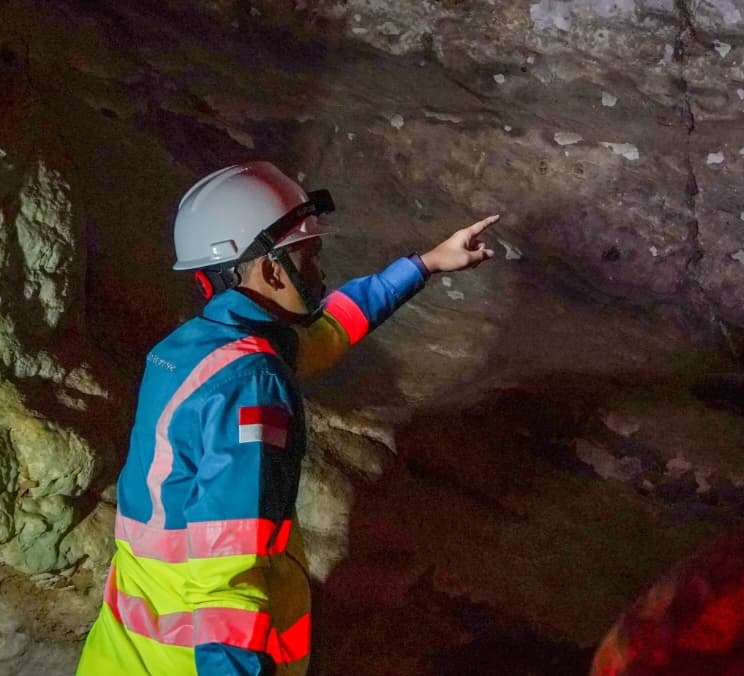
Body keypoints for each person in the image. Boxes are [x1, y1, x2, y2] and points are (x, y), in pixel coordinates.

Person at [76, 161, 499, 675]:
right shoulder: (250, 384)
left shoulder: (193, 348)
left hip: (124, 655)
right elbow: (225, 569)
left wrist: (427, 264)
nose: (320, 274)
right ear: (274, 270)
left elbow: (333, 329)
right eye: (310, 257)